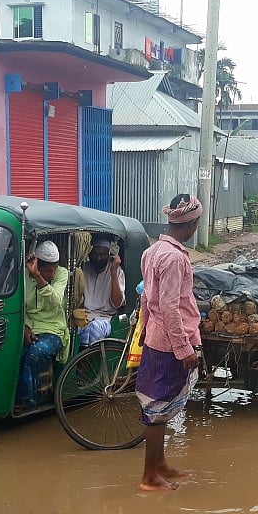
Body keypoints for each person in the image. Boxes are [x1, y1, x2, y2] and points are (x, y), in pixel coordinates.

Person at [136, 193, 202, 492]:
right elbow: (170, 307)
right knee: (157, 410)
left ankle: (159, 465)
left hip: (155, 338)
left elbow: (146, 298)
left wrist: (143, 329)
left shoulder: (152, 252)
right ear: (193, 224)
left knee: (156, 406)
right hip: (168, 343)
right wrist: (184, 347)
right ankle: (149, 476)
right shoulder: (175, 258)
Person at [16, 240, 70, 407]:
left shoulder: (62, 273)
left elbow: (55, 301)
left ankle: (29, 401)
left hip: (55, 330)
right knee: (17, 352)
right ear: (37, 265)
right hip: (31, 328)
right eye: (48, 271)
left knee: (36, 353)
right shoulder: (24, 277)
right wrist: (26, 327)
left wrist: (39, 277)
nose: (52, 275)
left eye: (54, 270)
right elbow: (21, 307)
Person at [78, 236, 126, 345]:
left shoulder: (117, 272)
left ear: (109, 255)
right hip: (83, 317)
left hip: (104, 319)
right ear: (90, 254)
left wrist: (113, 272)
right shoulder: (84, 269)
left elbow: (117, 303)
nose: (98, 258)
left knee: (93, 329)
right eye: (95, 254)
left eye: (102, 255)